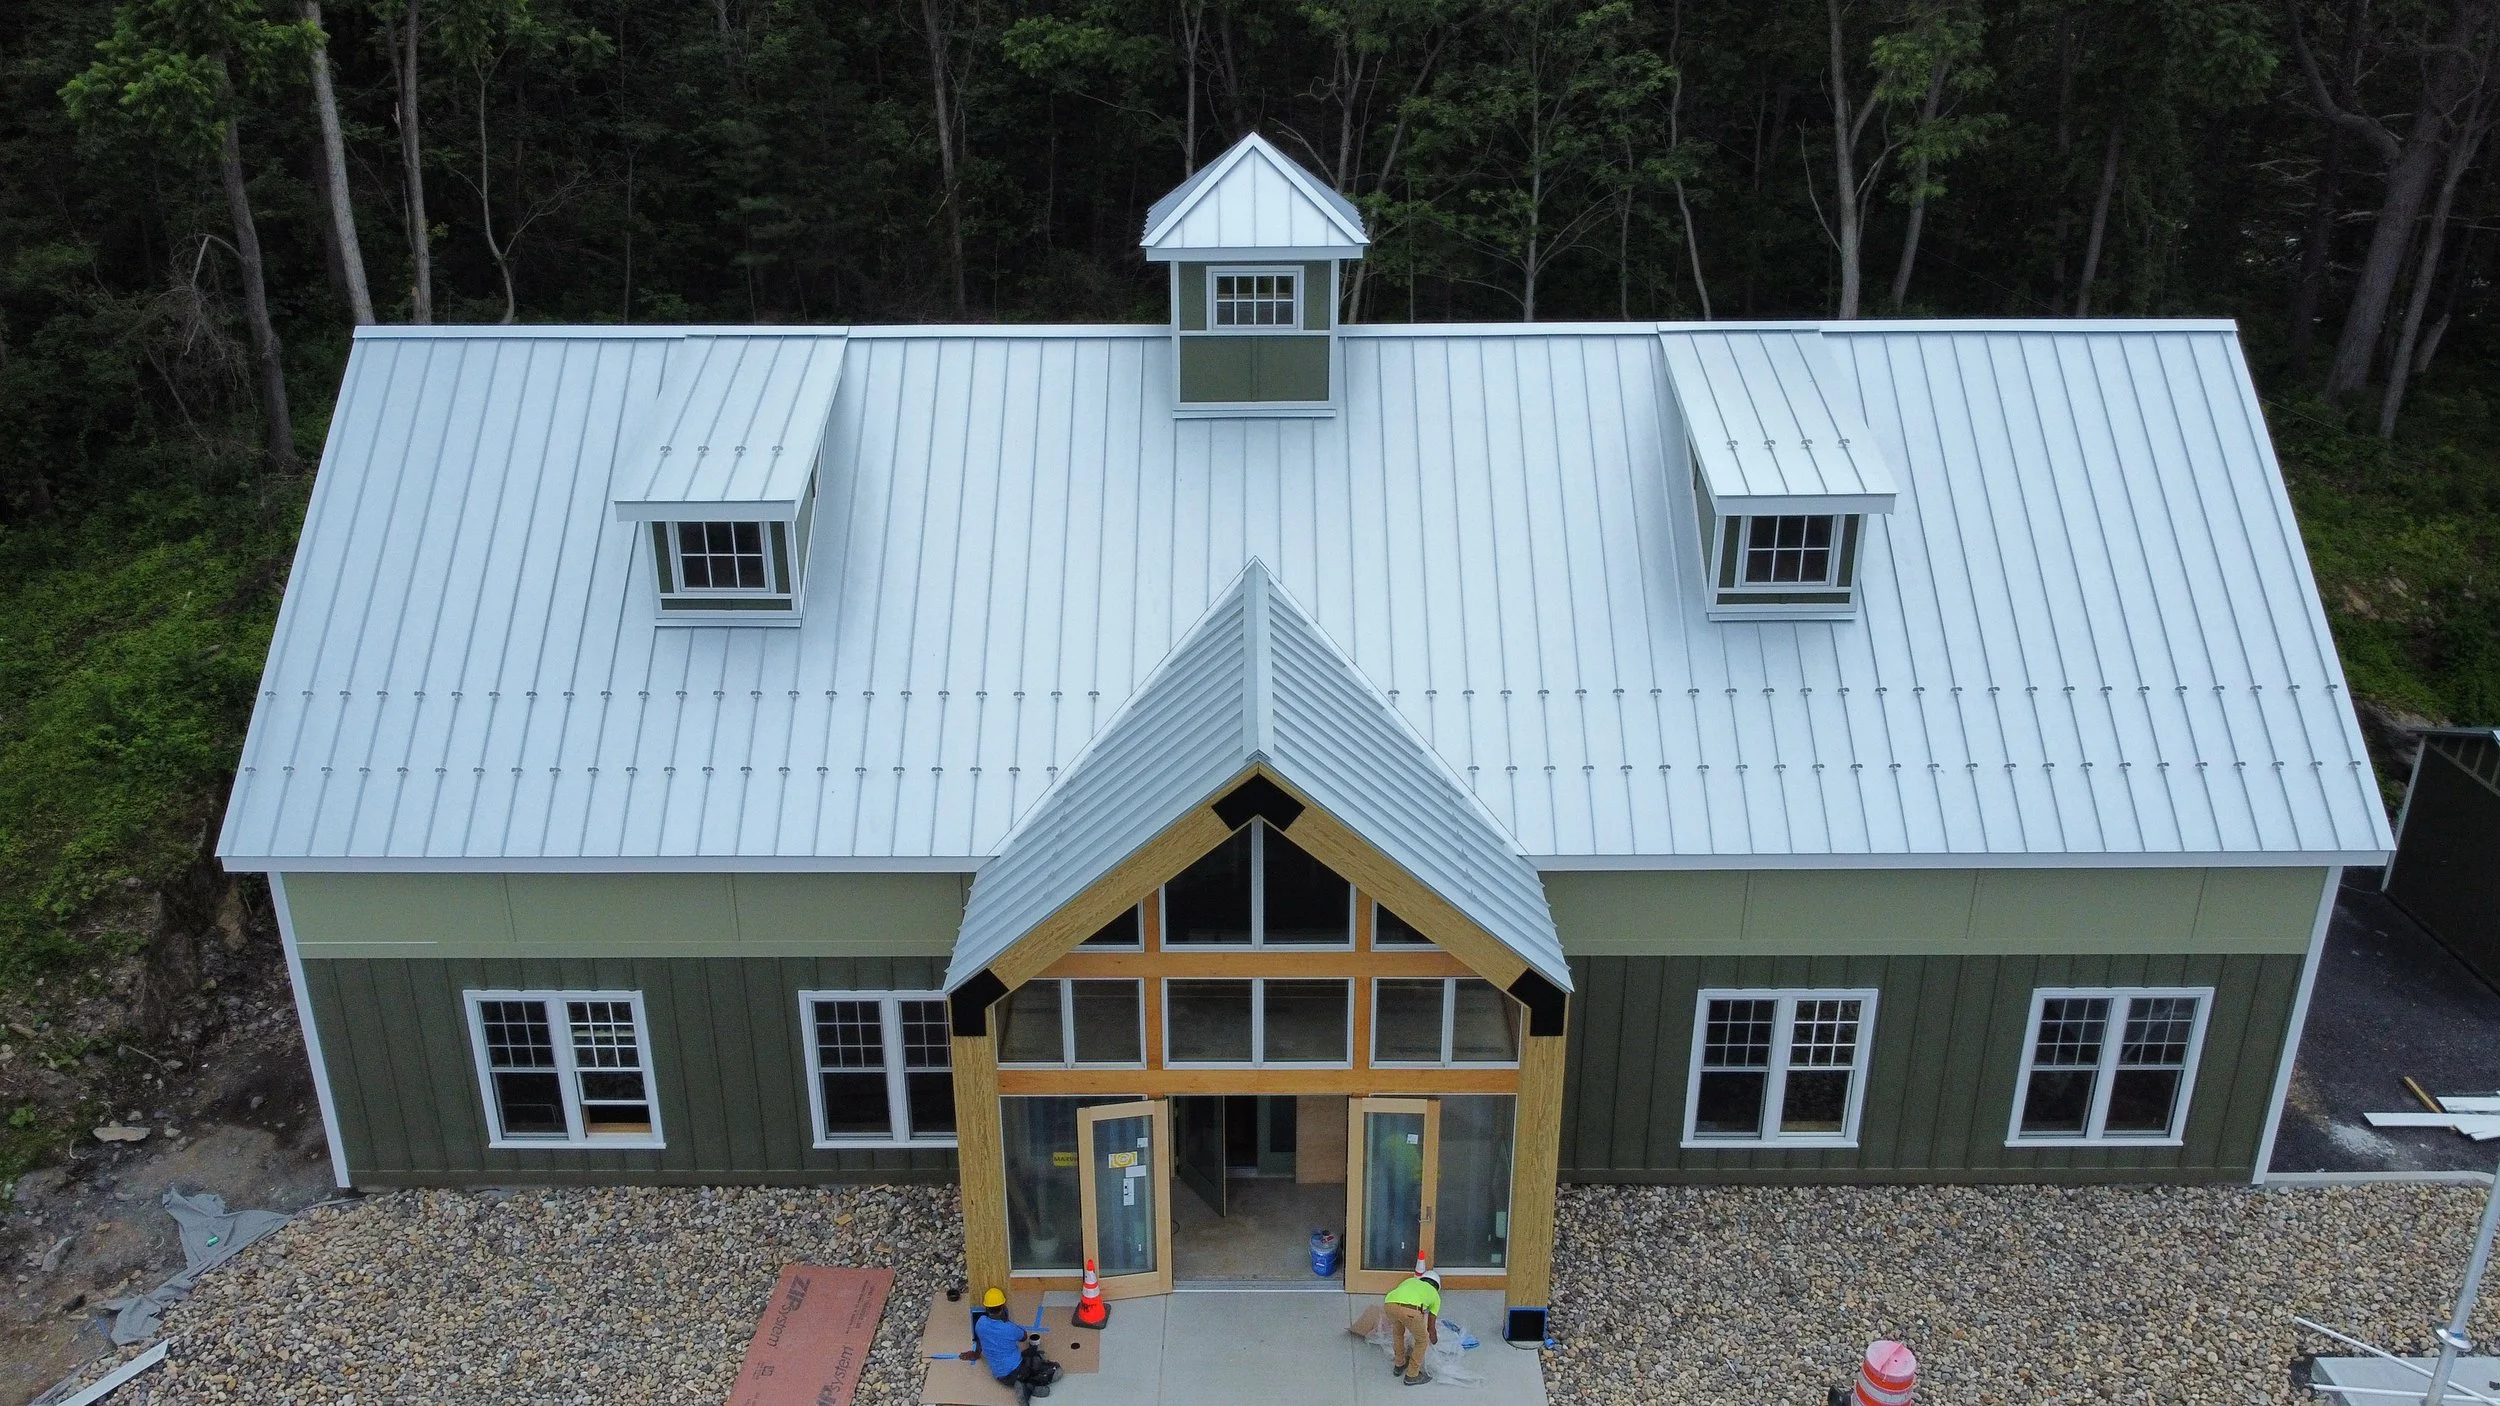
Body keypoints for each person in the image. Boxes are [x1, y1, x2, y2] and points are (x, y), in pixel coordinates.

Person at [960, 1287, 1061, 1402]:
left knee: (1026, 1357)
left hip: (1000, 1376)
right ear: (1003, 1308)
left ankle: (1026, 1384)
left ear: (986, 1308)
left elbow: (979, 1342)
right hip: (1018, 1371)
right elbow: (1024, 1337)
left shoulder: (980, 1323)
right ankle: (1029, 1387)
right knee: (1053, 1369)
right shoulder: (1009, 1328)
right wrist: (1006, 1321)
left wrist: (976, 1354)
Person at [1381, 1268, 1442, 1386]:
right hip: (1411, 1311)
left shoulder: (1410, 1281)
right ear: (1437, 1286)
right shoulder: (1435, 1295)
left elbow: (1403, 1295)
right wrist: (1434, 1340)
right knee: (1422, 1340)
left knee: (1398, 1333)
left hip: (1389, 1304)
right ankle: (1412, 1374)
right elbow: (1431, 1328)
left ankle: (1399, 1364)